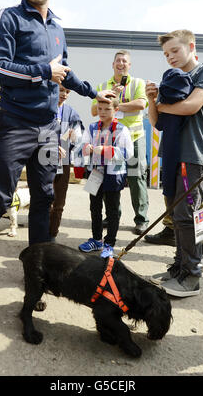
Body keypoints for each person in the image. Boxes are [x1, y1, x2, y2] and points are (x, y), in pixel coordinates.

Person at [0, 0, 114, 304]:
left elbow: (65, 69)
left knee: (44, 199)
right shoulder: (10, 17)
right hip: (14, 125)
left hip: (49, 128)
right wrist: (41, 72)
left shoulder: (58, 27)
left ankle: (38, 270)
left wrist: (95, 91)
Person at [146, 29, 203, 297]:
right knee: (176, 216)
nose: (170, 57)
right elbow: (157, 124)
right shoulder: (172, 80)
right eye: (166, 54)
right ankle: (179, 267)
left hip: (194, 156)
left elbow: (191, 106)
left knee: (189, 215)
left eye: (175, 51)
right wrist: (151, 100)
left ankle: (191, 276)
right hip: (173, 155)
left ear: (191, 46)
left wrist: (163, 104)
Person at [91, 50, 149, 235]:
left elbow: (141, 104)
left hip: (133, 137)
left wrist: (113, 106)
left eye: (125, 61)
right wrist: (107, 97)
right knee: (110, 177)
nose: (121, 64)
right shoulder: (103, 85)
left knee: (135, 177)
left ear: (129, 65)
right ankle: (112, 215)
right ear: (113, 64)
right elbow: (94, 110)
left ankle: (141, 219)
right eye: (118, 61)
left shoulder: (138, 83)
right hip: (110, 140)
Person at [78, 95, 133, 258]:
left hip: (113, 174)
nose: (102, 112)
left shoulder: (122, 129)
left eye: (107, 109)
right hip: (95, 172)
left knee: (112, 209)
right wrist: (86, 148)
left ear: (116, 110)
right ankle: (96, 239)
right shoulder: (92, 127)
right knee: (94, 207)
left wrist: (105, 150)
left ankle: (109, 243)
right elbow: (83, 145)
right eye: (99, 109)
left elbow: (128, 153)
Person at [49, 87, 84, 240]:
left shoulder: (71, 112)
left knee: (59, 202)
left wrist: (75, 136)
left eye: (68, 92)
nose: (64, 94)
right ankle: (39, 234)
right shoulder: (43, 107)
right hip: (43, 159)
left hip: (63, 161)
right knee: (43, 200)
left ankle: (52, 235)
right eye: (61, 90)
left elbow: (79, 137)